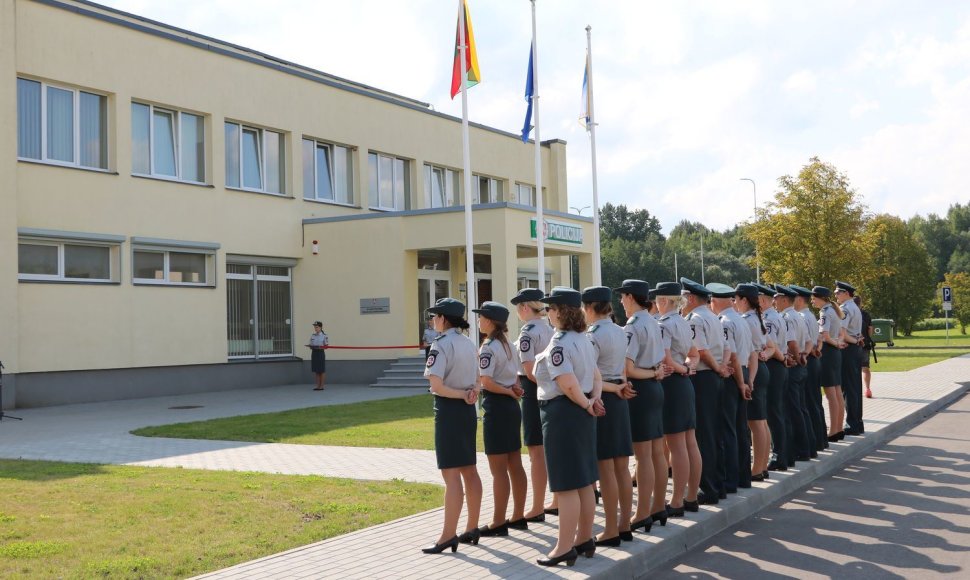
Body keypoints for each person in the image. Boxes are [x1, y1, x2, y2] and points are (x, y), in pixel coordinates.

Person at [534, 287, 605, 567]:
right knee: (585, 480)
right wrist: (594, 400)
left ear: (562, 311)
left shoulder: (560, 343)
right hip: (582, 409)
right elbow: (596, 376)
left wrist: (588, 403)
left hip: (564, 411)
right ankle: (584, 538)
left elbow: (566, 382)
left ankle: (564, 547)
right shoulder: (583, 339)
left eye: (550, 308)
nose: (547, 313)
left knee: (565, 485)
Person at [421, 298, 483, 554]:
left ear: (444, 319)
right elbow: (479, 379)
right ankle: (472, 526)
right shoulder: (469, 343)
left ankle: (448, 535)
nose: (432, 320)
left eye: (435, 316)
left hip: (449, 410)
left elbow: (436, 386)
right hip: (468, 409)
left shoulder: (441, 345)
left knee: (451, 474)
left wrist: (461, 395)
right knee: (469, 469)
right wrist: (471, 393)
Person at [582, 286, 635, 547]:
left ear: (590, 308)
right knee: (622, 467)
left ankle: (612, 528)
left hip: (604, 396)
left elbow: (592, 374)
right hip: (620, 396)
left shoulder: (593, 335)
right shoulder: (620, 330)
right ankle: (624, 524)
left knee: (606, 468)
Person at [616, 279, 670, 532]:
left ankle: (642, 512)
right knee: (657, 451)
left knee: (643, 455)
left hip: (642, 386)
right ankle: (658, 505)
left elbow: (628, 368)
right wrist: (655, 374)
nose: (620, 302)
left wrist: (651, 374)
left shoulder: (633, 325)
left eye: (622, 297)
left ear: (630, 297)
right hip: (655, 387)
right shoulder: (653, 320)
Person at [472, 301, 529, 537]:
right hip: (511, 406)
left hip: (497, 405)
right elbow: (516, 376)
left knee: (498, 469)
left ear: (490, 321)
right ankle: (518, 515)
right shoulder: (508, 344)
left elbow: (485, 382)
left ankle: (498, 521)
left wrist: (507, 391)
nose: (478, 321)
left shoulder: (489, 346)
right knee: (514, 462)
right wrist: (513, 390)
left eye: (481, 317)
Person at [653, 282, 702, 517]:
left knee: (677, 445)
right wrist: (689, 367)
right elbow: (694, 354)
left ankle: (676, 501)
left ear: (664, 301)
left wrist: (682, 368)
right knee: (689, 441)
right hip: (684, 383)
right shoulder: (683, 322)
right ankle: (691, 496)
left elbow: (666, 360)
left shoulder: (663, 325)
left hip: (672, 383)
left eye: (657, 299)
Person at [680, 278, 730, 504]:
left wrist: (717, 366)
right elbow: (727, 348)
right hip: (715, 377)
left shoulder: (695, 318)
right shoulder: (712, 316)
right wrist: (721, 367)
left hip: (704, 377)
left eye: (683, 297)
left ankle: (707, 487)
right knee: (714, 433)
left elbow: (700, 350)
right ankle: (718, 484)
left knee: (705, 435)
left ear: (690, 298)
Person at [510, 288, 556, 521]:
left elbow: (529, 371)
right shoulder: (549, 328)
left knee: (536, 451)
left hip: (534, 389)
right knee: (551, 448)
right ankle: (555, 499)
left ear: (525, 308)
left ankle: (537, 505)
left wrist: (544, 388)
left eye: (518, 307)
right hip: (551, 388)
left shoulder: (528, 332)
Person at [706, 282, 749, 496]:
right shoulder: (740, 319)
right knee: (740, 429)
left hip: (732, 376)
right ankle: (742, 477)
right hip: (741, 372)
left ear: (715, 301)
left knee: (727, 431)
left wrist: (740, 383)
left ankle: (729, 480)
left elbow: (731, 356)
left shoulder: (724, 322)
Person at [775, 284, 813, 465]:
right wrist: (804, 355)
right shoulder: (797, 316)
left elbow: (792, 342)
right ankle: (807, 448)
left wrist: (798, 357)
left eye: (776, 298)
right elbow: (808, 341)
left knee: (792, 410)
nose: (774, 301)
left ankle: (799, 450)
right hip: (800, 365)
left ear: (784, 299)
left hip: (793, 366)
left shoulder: (787, 317)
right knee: (800, 408)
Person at [736, 286, 770, 481]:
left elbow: (752, 352)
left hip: (754, 368)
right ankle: (762, 466)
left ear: (744, 300)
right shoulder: (755, 318)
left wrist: (749, 379)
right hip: (760, 367)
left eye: (736, 299)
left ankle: (757, 469)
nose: (735, 302)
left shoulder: (747, 320)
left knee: (756, 422)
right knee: (761, 421)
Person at [755, 283, 789, 473]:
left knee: (773, 413)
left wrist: (778, 357)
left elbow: (773, 347)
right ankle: (782, 454)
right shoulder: (774, 316)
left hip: (774, 364)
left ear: (762, 300)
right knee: (777, 412)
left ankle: (779, 456)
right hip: (778, 364)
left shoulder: (769, 318)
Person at [793, 284, 828, 451]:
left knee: (810, 402)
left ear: (799, 299)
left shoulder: (803, 317)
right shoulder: (809, 316)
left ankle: (815, 441)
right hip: (812, 358)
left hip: (808, 359)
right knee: (814, 402)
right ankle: (819, 439)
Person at [811, 286, 846, 442]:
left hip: (828, 352)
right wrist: (837, 342)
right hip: (835, 354)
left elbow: (824, 335)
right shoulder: (834, 310)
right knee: (837, 392)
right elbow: (840, 333)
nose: (812, 300)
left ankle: (833, 430)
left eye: (814, 297)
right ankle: (838, 428)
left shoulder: (825, 312)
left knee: (831, 394)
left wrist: (835, 343)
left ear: (821, 298)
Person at [836, 281, 865, 435]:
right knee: (855, 387)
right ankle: (857, 423)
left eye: (838, 293)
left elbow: (842, 333)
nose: (836, 295)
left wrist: (853, 341)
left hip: (848, 349)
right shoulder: (854, 307)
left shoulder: (845, 309)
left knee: (848, 388)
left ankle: (852, 423)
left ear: (846, 293)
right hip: (855, 349)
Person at [856, 295, 874, 399]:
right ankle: (867, 389)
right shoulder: (865, 314)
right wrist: (867, 337)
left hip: (853, 344)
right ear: (860, 303)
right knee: (865, 368)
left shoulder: (849, 313)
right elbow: (870, 330)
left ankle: (856, 390)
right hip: (865, 344)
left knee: (855, 369)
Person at [308, 321, 329, 391]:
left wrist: (321, 347)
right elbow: (310, 344)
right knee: (316, 370)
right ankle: (317, 386)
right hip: (314, 353)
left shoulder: (324, 336)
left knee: (321, 370)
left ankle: (321, 386)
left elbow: (326, 346)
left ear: (320, 327)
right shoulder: (313, 335)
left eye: (317, 327)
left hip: (320, 353)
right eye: (314, 327)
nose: (315, 328)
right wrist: (310, 346)